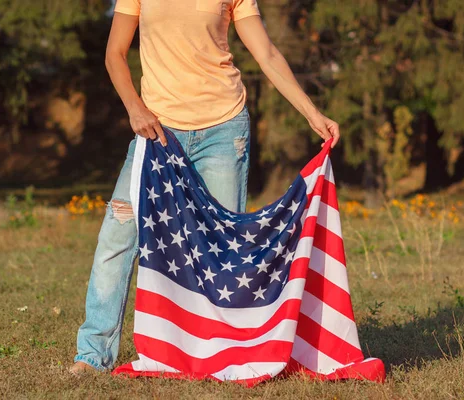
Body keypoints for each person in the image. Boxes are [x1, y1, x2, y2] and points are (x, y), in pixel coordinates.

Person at [70, 0, 340, 374]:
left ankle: (220, 354)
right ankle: (93, 355)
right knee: (117, 239)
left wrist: (313, 113)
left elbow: (267, 53)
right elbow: (115, 53)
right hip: (157, 132)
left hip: (224, 132)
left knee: (222, 249)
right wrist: (134, 107)